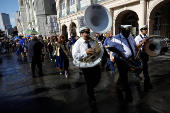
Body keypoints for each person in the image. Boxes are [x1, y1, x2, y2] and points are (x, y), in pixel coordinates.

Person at [72, 27, 101, 111]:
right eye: (86, 33)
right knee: (89, 82)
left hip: (95, 63)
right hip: (86, 65)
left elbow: (98, 48)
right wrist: (85, 52)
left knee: (98, 78)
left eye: (88, 33)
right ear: (81, 33)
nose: (88, 34)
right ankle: (91, 96)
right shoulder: (78, 43)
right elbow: (75, 56)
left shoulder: (92, 40)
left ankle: (90, 90)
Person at [108, 25, 136, 102]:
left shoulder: (130, 36)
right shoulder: (115, 38)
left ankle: (118, 83)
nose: (127, 34)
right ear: (122, 31)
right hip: (120, 60)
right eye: (126, 32)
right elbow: (109, 47)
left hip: (130, 59)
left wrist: (135, 53)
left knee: (125, 73)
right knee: (124, 77)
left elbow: (133, 44)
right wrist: (118, 51)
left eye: (128, 32)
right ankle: (128, 94)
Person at [134, 25, 153, 90]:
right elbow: (136, 45)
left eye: (147, 29)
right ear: (142, 30)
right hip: (140, 54)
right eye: (145, 30)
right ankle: (147, 81)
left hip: (146, 54)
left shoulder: (147, 37)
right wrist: (142, 42)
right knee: (144, 67)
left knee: (144, 66)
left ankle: (137, 73)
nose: (147, 30)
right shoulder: (138, 37)